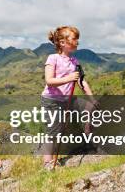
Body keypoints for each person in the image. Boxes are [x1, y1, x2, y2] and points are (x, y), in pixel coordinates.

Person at [41, 26, 99, 170]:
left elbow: (81, 81)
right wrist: (69, 78)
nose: (77, 42)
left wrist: (92, 98)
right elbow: (49, 80)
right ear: (62, 42)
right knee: (53, 132)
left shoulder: (75, 61)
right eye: (74, 39)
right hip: (52, 100)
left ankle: (87, 133)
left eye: (77, 39)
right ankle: (47, 164)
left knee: (90, 107)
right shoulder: (52, 58)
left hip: (68, 100)